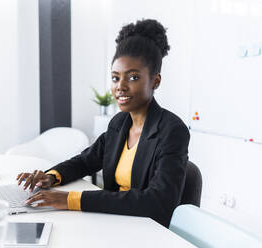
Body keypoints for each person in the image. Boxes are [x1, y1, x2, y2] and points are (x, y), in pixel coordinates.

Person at [17, 19, 190, 228]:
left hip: (145, 229)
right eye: (116, 78)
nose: (121, 87)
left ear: (155, 81)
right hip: (111, 221)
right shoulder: (119, 123)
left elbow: (157, 202)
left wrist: (70, 199)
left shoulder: (172, 131)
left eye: (133, 77)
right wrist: (50, 177)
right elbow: (85, 161)